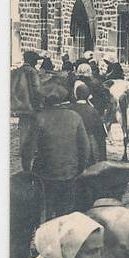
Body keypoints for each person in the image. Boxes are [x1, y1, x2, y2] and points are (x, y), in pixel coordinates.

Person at [30, 85, 91, 218]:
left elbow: (28, 150)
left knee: (47, 208)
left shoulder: (39, 118)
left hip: (45, 173)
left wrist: (28, 173)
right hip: (69, 172)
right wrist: (80, 169)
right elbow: (85, 147)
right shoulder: (75, 117)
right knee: (65, 210)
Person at [11, 50, 44, 170]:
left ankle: (22, 148)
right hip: (31, 106)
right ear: (32, 61)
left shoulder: (16, 72)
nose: (37, 62)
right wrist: (41, 103)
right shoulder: (32, 72)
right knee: (33, 127)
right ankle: (31, 149)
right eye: (36, 60)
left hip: (20, 106)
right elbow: (37, 90)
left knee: (23, 127)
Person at [70, 82, 107, 162]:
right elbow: (101, 135)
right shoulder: (93, 111)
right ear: (88, 96)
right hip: (88, 148)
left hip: (73, 148)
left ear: (76, 95)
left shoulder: (70, 109)